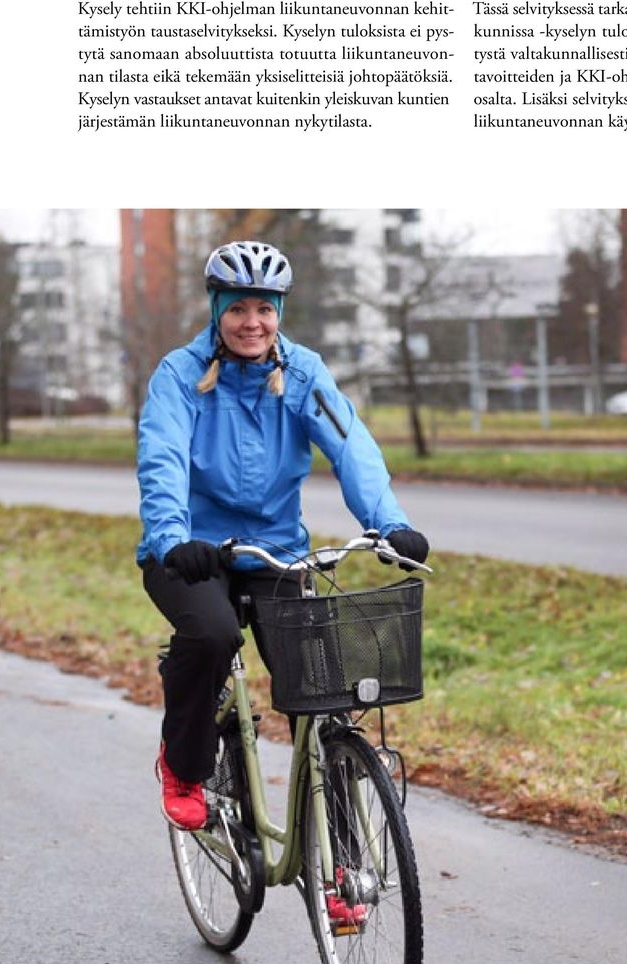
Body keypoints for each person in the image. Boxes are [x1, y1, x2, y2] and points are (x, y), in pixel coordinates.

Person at [137, 239, 429, 839]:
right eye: (239, 308)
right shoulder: (180, 375)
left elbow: (352, 446)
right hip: (193, 553)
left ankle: (344, 867)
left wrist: (389, 521)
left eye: (265, 309)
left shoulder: (302, 373)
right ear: (217, 309)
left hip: (276, 550)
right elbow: (161, 460)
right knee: (214, 635)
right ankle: (185, 765)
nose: (253, 322)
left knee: (323, 696)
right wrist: (172, 537)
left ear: (280, 313)